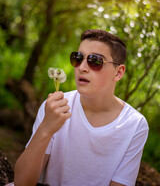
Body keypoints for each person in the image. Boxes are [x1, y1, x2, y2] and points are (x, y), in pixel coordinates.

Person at [14, 29, 149, 186]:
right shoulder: (55, 108)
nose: (82, 67)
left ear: (119, 73)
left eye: (95, 61)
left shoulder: (135, 125)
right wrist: (46, 128)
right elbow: (22, 182)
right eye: (77, 58)